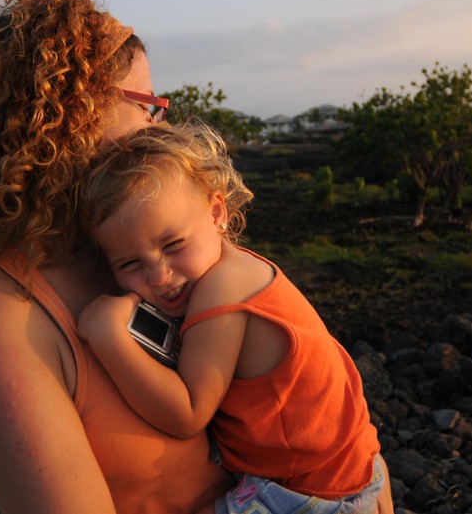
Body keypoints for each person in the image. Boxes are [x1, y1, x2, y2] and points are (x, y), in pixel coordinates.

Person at [0, 0, 234, 514]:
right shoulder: (4, 316)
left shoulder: (150, 252)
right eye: (149, 105)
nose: (164, 127)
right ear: (74, 115)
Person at [77, 121, 394, 514]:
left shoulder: (222, 289)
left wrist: (108, 336)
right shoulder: (236, 267)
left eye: (173, 244)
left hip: (314, 493)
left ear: (216, 212)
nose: (159, 276)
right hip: (351, 465)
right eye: (129, 264)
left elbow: (188, 412)